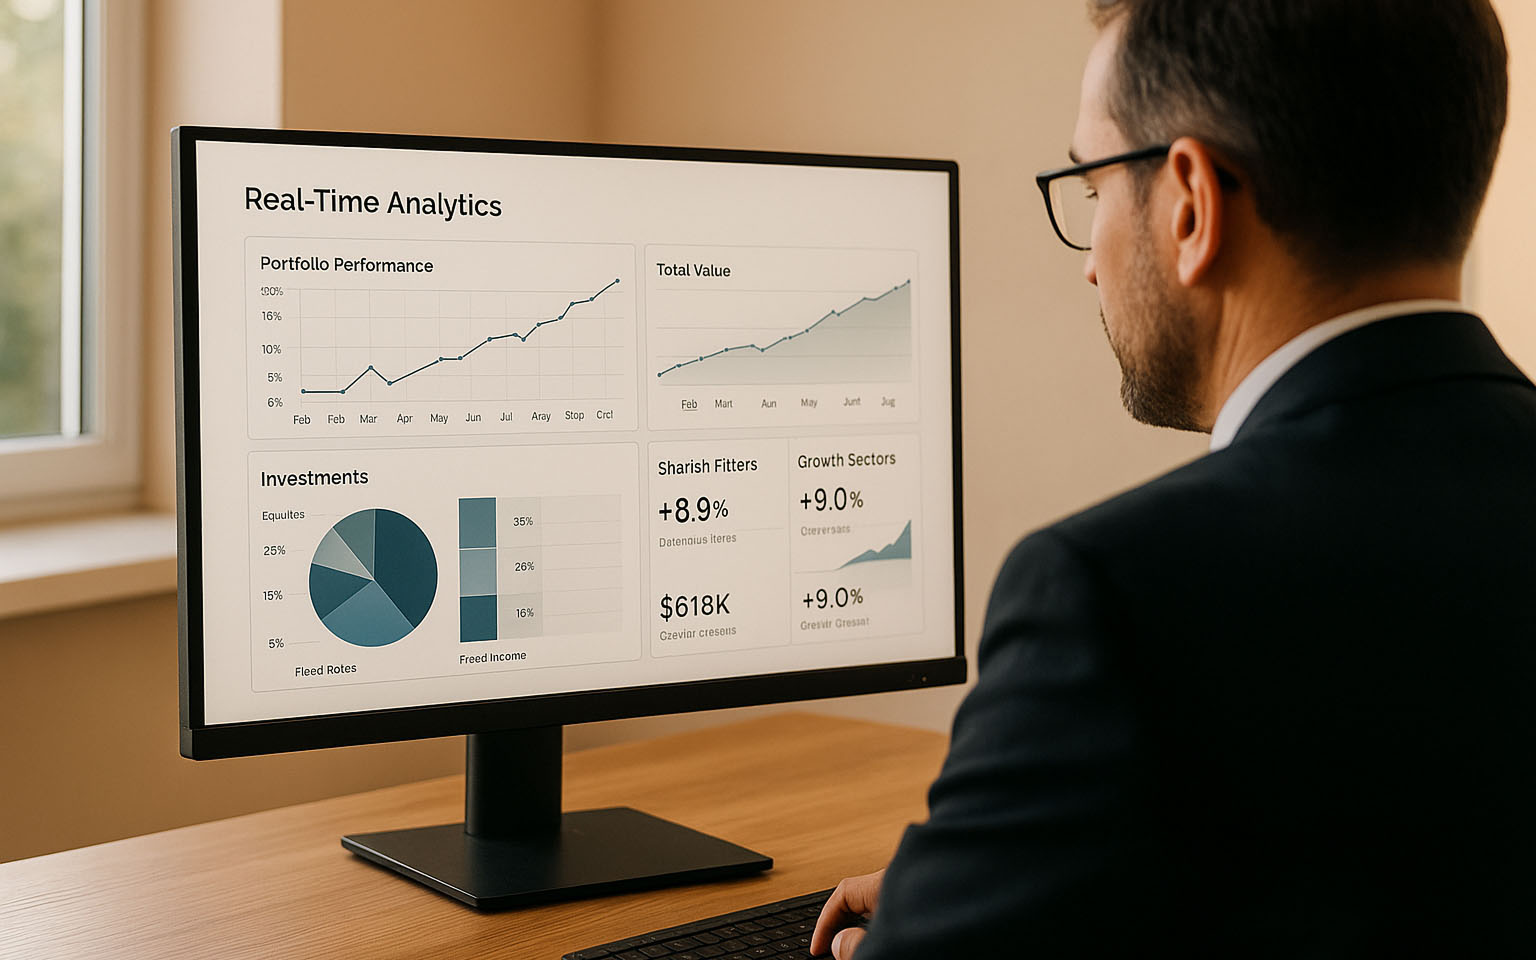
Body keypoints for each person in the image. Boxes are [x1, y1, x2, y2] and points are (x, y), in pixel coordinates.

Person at [811, 1, 1534, 956]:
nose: (1091, 266)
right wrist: (1001, 869)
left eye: (1092, 186)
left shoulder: (1113, 596)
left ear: (1190, 202)